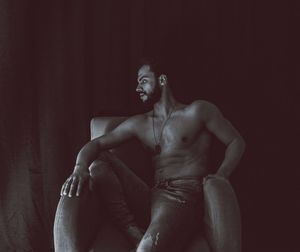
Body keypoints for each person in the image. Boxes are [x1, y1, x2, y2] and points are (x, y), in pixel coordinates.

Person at [60, 59, 246, 252]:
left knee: (146, 250)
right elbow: (97, 144)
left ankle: (144, 242)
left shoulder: (197, 111)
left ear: (162, 80)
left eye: (143, 81)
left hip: (185, 195)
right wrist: (79, 168)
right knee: (100, 160)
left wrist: (222, 174)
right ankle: (133, 231)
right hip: (154, 195)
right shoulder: (140, 123)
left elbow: (236, 142)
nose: (137, 88)